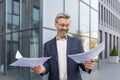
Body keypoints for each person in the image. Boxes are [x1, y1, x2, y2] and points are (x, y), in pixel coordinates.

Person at [32, 12, 95, 80]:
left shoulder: (77, 42)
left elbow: (82, 62)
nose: (65, 28)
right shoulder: (48, 45)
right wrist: (42, 69)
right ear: (55, 24)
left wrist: (87, 66)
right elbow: (47, 64)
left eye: (67, 25)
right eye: (62, 25)